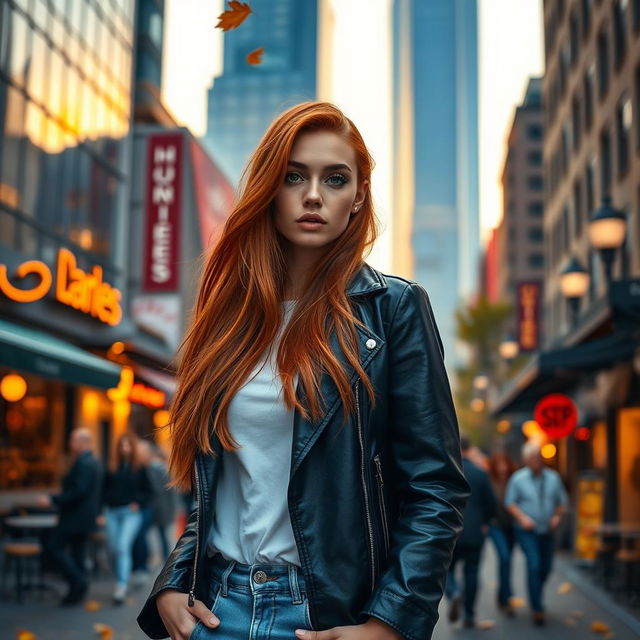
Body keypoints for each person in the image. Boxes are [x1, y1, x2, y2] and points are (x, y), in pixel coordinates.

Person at [136, 101, 469, 640]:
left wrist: (389, 624)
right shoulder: (228, 316)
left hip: (325, 617)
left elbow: (436, 488)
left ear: (359, 195)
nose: (313, 195)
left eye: (335, 179)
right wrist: (173, 583)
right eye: (294, 176)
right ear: (271, 187)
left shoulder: (393, 310)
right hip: (215, 609)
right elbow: (217, 485)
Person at [505, 440, 568, 626]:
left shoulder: (553, 478)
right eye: (532, 457)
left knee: (546, 567)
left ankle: (536, 592)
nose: (537, 460)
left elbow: (562, 502)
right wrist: (523, 518)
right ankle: (537, 607)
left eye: (539, 456)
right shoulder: (517, 479)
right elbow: (510, 503)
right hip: (527, 530)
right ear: (526, 459)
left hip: (547, 530)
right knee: (534, 564)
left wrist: (557, 516)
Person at [38, 428, 102, 605]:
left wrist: (52, 499)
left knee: (54, 547)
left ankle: (78, 581)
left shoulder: (83, 463)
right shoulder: (94, 461)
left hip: (74, 517)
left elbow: (78, 491)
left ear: (83, 442)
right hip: (85, 518)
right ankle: (77, 592)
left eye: (73, 440)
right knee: (78, 552)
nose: (70, 444)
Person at [445, 435, 497, 628]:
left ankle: (453, 592)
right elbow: (491, 503)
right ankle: (469, 615)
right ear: (470, 448)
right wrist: (486, 522)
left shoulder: (447, 471)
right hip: (475, 532)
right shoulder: (480, 473)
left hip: (450, 531)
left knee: (445, 569)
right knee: (472, 572)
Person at [101, 431, 152, 604]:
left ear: (132, 447)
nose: (124, 448)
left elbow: (149, 491)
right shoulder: (111, 467)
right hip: (111, 512)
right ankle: (120, 577)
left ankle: (121, 586)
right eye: (121, 445)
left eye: (127, 445)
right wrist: (100, 511)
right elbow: (103, 490)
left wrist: (138, 502)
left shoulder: (140, 468)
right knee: (113, 549)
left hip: (130, 513)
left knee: (123, 547)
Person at [487, 451, 517, 616]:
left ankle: (502, 595)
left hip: (511, 526)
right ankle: (506, 600)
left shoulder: (514, 481)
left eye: (505, 464)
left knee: (507, 561)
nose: (503, 468)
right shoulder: (490, 481)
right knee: (504, 557)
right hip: (496, 525)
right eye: (499, 465)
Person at [131, 440, 157, 585]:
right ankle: (139, 565)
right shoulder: (134, 467)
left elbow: (150, 491)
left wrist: (138, 502)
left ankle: (142, 565)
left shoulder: (146, 468)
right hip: (138, 508)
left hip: (145, 508)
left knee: (140, 536)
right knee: (139, 537)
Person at [147, 445, 178, 561]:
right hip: (163, 507)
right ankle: (165, 557)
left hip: (160, 507)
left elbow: (168, 490)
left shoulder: (157, 468)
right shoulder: (162, 468)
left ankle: (165, 558)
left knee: (161, 534)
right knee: (162, 534)